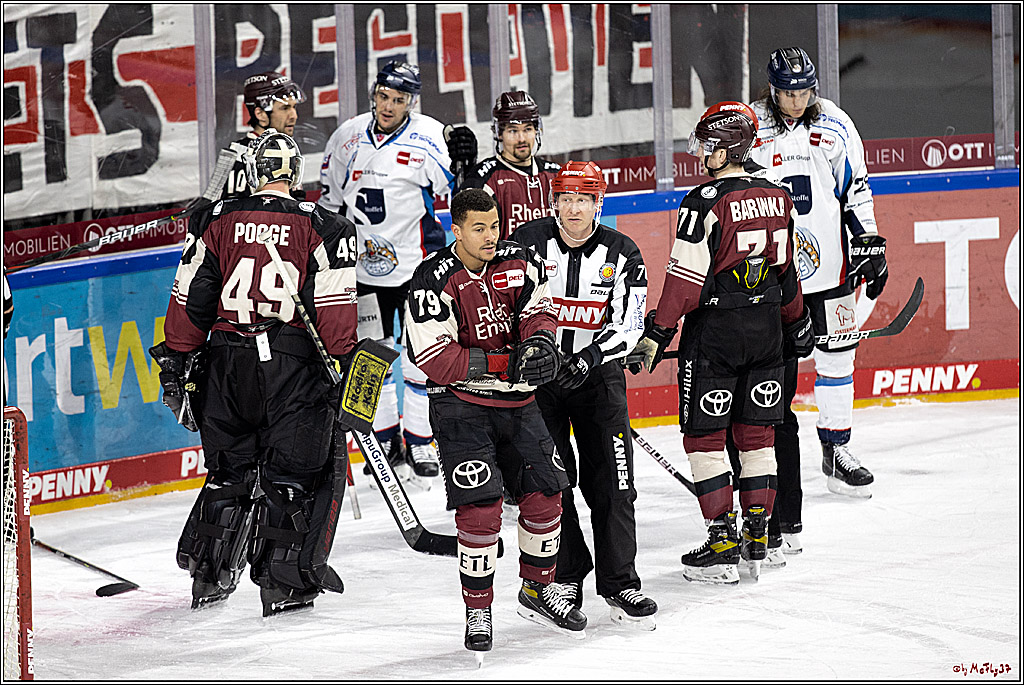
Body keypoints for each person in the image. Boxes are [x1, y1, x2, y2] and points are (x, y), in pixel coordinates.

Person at [152, 129, 359, 615]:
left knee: (228, 473)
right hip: (289, 362)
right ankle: (284, 586)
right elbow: (334, 317)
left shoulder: (217, 220)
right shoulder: (326, 226)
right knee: (293, 477)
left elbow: (188, 300)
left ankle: (208, 576)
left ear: (254, 173)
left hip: (224, 362)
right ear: (295, 174)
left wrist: (178, 362)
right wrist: (346, 367)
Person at [634, 102, 813, 584]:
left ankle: (723, 542)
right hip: (767, 333)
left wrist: (657, 332)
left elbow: (683, 281)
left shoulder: (703, 201)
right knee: (758, 434)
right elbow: (787, 273)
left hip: (715, 336)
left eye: (709, 145)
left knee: (705, 436)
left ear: (729, 146)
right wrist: (797, 322)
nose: (702, 154)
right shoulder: (778, 194)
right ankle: (758, 536)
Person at [404, 188, 585, 654]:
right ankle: (478, 610)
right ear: (456, 229)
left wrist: (541, 344)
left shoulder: (520, 261)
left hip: (520, 406)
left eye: (494, 226)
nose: (490, 237)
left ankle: (539, 589)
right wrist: (509, 362)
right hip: (461, 408)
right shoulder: (430, 281)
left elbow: (540, 312)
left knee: (547, 498)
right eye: (478, 229)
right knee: (481, 512)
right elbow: (437, 359)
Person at [510, 161, 657, 628]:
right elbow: (510, 309)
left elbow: (629, 324)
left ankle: (621, 583)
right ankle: (567, 574)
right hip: (540, 384)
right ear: (554, 201)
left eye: (584, 200)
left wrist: (588, 358)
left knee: (614, 485)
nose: (574, 209)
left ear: (599, 203)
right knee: (553, 483)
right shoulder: (526, 244)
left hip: (599, 381)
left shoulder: (624, 252)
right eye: (566, 199)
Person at [319, 61, 477, 482]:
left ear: (412, 101)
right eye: (384, 96)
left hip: (416, 270)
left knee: (419, 357)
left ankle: (421, 439)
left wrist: (467, 166)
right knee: (372, 356)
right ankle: (384, 439)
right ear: (374, 92)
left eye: (399, 99)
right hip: (362, 271)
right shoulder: (347, 137)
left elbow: (461, 196)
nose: (389, 106)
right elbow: (330, 207)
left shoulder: (429, 136)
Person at [748, 47, 888, 511]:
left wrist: (869, 243)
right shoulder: (749, 125)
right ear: (772, 90)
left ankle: (837, 448)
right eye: (788, 93)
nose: (796, 100)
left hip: (831, 270)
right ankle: (766, 462)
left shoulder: (836, 123)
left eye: (804, 91)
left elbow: (857, 188)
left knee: (837, 359)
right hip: (772, 277)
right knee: (774, 371)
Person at [458, 90, 562, 239]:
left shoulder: (556, 176)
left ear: (536, 131)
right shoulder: (483, 180)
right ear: (499, 133)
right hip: (507, 262)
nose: (521, 139)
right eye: (513, 131)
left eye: (527, 129)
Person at [222, 71, 308, 201]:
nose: (294, 116)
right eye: (285, 108)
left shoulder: (285, 149)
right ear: (260, 114)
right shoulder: (238, 156)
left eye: (294, 107)